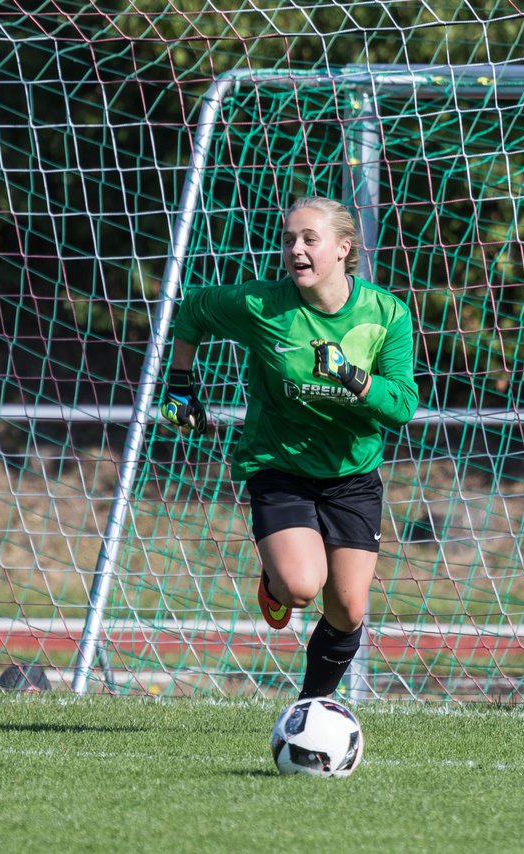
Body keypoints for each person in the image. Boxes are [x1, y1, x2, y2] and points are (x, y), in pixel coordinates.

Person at [159, 195, 418, 700]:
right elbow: (193, 308)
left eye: (309, 239)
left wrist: (351, 377)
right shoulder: (262, 304)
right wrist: (180, 384)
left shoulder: (387, 313)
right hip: (279, 465)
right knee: (301, 587)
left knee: (347, 610)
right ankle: (275, 583)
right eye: (288, 239)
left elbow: (402, 405)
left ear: (344, 248)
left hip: (352, 474)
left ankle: (311, 707)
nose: (295, 249)